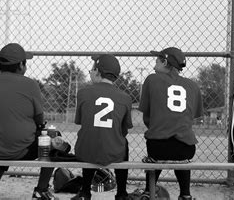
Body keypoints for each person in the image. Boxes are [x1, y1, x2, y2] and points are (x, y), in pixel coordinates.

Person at [0, 43, 57, 199]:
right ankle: (42, 189)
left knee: (4, 134)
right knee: (52, 139)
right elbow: (40, 119)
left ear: (0, 65)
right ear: (21, 65)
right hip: (18, 150)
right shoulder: (30, 84)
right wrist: (40, 128)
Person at [138, 47, 203, 200]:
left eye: (157, 60)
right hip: (186, 148)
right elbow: (192, 117)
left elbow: (147, 117)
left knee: (157, 151)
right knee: (180, 156)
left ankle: (149, 191)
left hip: (157, 147)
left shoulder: (152, 79)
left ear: (165, 62)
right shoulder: (193, 86)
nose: (154, 64)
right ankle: (185, 194)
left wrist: (160, 128)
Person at [72, 54, 133, 200]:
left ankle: (85, 192)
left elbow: (81, 122)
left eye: (92, 69)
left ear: (98, 72)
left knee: (90, 138)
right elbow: (124, 130)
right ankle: (122, 193)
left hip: (85, 151)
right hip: (114, 152)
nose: (91, 72)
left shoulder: (83, 93)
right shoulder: (125, 97)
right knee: (123, 143)